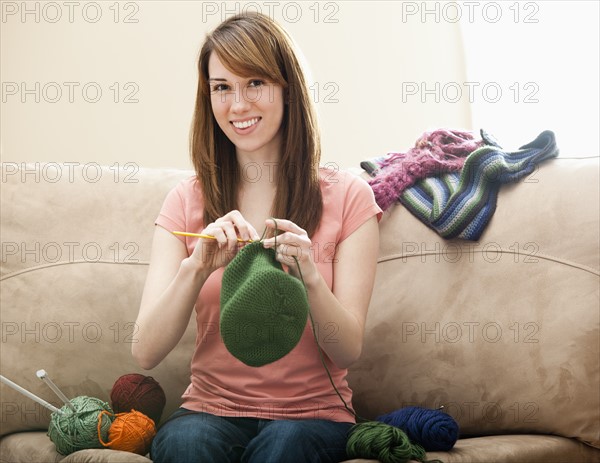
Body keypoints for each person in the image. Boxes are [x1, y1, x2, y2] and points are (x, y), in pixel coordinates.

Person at [132, 11, 382, 463]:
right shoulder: (185, 200)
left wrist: (309, 276)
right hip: (209, 411)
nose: (238, 104)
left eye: (255, 83)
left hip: (315, 418)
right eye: (222, 87)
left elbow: (348, 349)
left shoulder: (349, 197)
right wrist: (196, 268)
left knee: (285, 447)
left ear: (287, 87)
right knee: (185, 444)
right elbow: (145, 351)